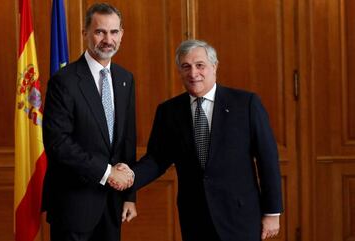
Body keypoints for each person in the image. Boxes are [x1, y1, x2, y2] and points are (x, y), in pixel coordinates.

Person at [129, 39, 283, 241]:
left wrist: (272, 213)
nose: (193, 73)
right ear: (179, 71)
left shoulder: (245, 104)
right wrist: (128, 178)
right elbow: (157, 160)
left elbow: (267, 159)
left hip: (239, 217)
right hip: (195, 218)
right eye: (186, 67)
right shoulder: (169, 111)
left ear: (214, 66)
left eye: (200, 65)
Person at [41, 3, 137, 241]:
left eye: (114, 32)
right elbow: (58, 144)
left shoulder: (125, 79)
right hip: (73, 206)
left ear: (121, 35)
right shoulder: (64, 81)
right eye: (99, 31)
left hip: (112, 204)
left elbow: (126, 139)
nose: (107, 39)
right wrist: (106, 173)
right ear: (84, 33)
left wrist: (129, 196)